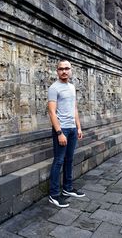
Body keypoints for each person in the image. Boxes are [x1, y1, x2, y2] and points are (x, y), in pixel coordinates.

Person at [48, 59, 85, 208]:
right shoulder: (54, 88)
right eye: (61, 69)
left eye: (66, 68)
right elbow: (51, 112)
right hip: (61, 129)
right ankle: (54, 194)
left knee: (69, 159)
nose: (64, 71)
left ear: (70, 70)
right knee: (58, 161)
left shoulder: (71, 87)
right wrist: (59, 132)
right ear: (57, 71)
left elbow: (74, 108)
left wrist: (79, 127)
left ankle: (67, 188)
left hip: (72, 128)